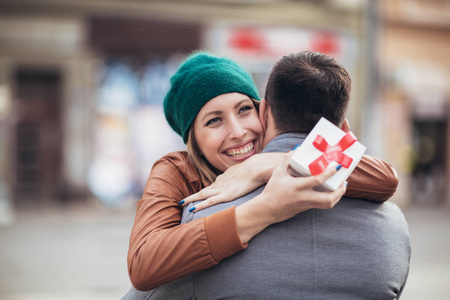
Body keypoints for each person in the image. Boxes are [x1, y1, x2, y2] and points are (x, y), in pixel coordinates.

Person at [126, 51, 410, 299]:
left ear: (263, 113)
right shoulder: (176, 170)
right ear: (193, 141)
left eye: (244, 110)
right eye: (214, 120)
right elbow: (143, 265)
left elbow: (384, 178)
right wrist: (263, 210)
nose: (237, 132)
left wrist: (268, 163)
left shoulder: (288, 154)